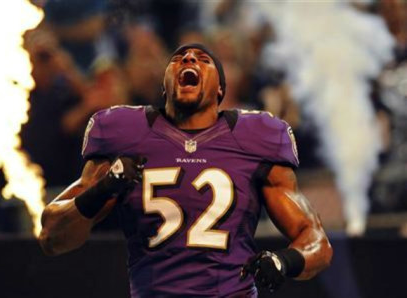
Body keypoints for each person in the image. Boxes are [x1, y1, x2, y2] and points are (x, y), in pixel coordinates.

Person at [39, 43, 333, 297]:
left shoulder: (257, 137)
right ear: (165, 83)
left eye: (203, 59)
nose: (189, 59)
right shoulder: (123, 133)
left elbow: (316, 240)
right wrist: (102, 190)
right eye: (178, 58)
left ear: (220, 89)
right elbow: (53, 237)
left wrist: (284, 261)